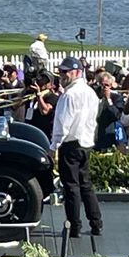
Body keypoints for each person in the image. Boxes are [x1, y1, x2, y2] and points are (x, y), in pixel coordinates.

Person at [50, 56, 103, 238]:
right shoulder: (90, 93)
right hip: (85, 143)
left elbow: (62, 124)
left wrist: (54, 146)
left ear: (77, 72)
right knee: (86, 184)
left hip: (70, 144)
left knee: (71, 186)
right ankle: (96, 223)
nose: (62, 75)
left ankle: (74, 226)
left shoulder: (69, 95)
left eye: (66, 72)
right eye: (61, 72)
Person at [93, 71, 125, 152]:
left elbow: (116, 116)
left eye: (106, 85)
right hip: (93, 135)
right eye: (102, 85)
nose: (104, 87)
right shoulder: (93, 96)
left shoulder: (117, 98)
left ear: (110, 86)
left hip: (108, 136)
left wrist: (108, 100)